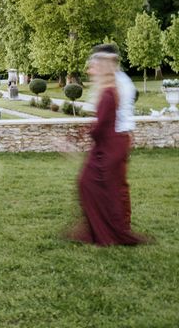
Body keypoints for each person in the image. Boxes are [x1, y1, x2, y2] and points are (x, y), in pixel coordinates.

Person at [69, 51, 146, 246]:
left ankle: (111, 231)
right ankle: (103, 228)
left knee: (93, 184)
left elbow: (103, 124)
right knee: (95, 185)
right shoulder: (109, 89)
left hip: (110, 146)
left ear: (102, 69)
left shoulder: (110, 92)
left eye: (92, 66)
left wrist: (84, 134)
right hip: (108, 144)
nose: (89, 70)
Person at [91, 44, 136, 226]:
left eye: (98, 60)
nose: (95, 64)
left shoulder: (120, 83)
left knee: (117, 183)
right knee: (107, 182)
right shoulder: (110, 80)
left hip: (117, 136)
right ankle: (110, 220)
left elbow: (113, 115)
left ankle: (121, 224)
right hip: (113, 137)